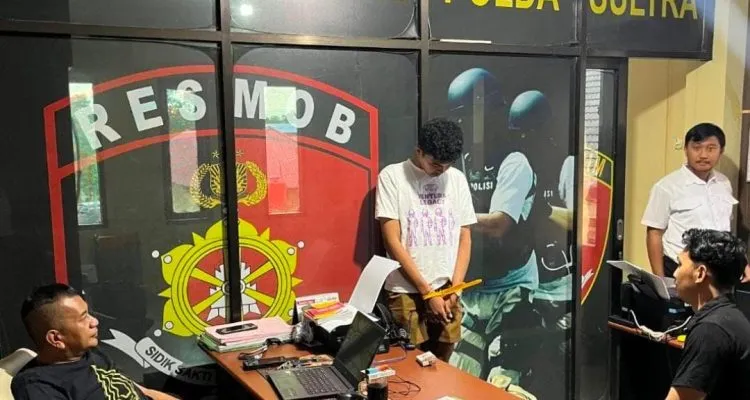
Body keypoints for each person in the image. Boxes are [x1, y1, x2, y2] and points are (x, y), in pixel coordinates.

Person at [375, 118, 476, 362]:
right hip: (406, 289)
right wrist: (427, 293)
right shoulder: (392, 176)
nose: (442, 170)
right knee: (408, 364)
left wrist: (456, 288)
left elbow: (465, 237)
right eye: (435, 163)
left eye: (448, 164)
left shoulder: (457, 179)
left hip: (447, 287)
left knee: (443, 363)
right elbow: (392, 242)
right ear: (419, 151)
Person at [11, 284, 179, 400]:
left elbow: (141, 391)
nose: (94, 322)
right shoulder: (37, 386)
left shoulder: (92, 354)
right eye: (83, 318)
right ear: (56, 339)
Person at [642, 123, 736, 278]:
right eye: (697, 148)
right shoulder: (667, 186)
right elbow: (654, 234)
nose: (703, 155)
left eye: (711, 148)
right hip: (680, 269)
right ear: (686, 150)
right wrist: (660, 280)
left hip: (716, 270)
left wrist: (741, 262)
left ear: (721, 151)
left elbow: (725, 228)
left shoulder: (724, 183)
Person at [667, 228, 750, 400]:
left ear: (700, 273)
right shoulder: (729, 317)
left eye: (680, 264)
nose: (674, 273)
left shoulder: (710, 330)